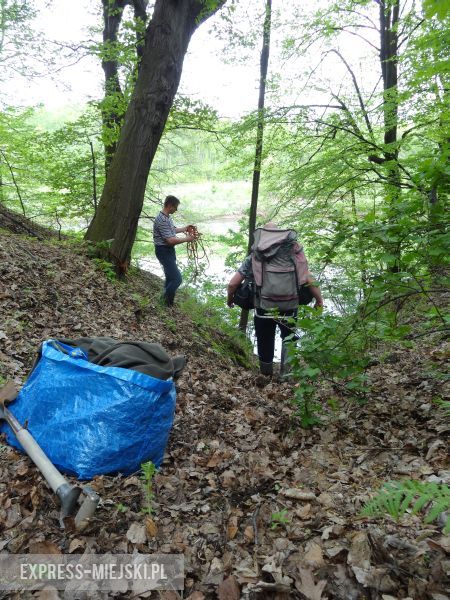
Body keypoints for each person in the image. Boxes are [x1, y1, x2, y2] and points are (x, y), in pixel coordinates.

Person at [227, 223, 323, 377]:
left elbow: (233, 284)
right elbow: (308, 278)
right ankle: (286, 375)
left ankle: (266, 375)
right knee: (289, 339)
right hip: (289, 306)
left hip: (263, 307)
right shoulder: (293, 252)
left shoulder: (255, 255)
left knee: (265, 340)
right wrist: (319, 299)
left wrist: (230, 299)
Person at [153, 195, 197, 307]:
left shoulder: (166, 217)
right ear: (169, 205)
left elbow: (171, 230)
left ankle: (168, 303)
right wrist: (187, 239)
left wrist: (184, 228)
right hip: (163, 251)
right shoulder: (162, 219)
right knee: (177, 279)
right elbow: (170, 240)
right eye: (175, 207)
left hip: (168, 251)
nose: (176, 209)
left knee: (169, 277)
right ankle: (163, 300)